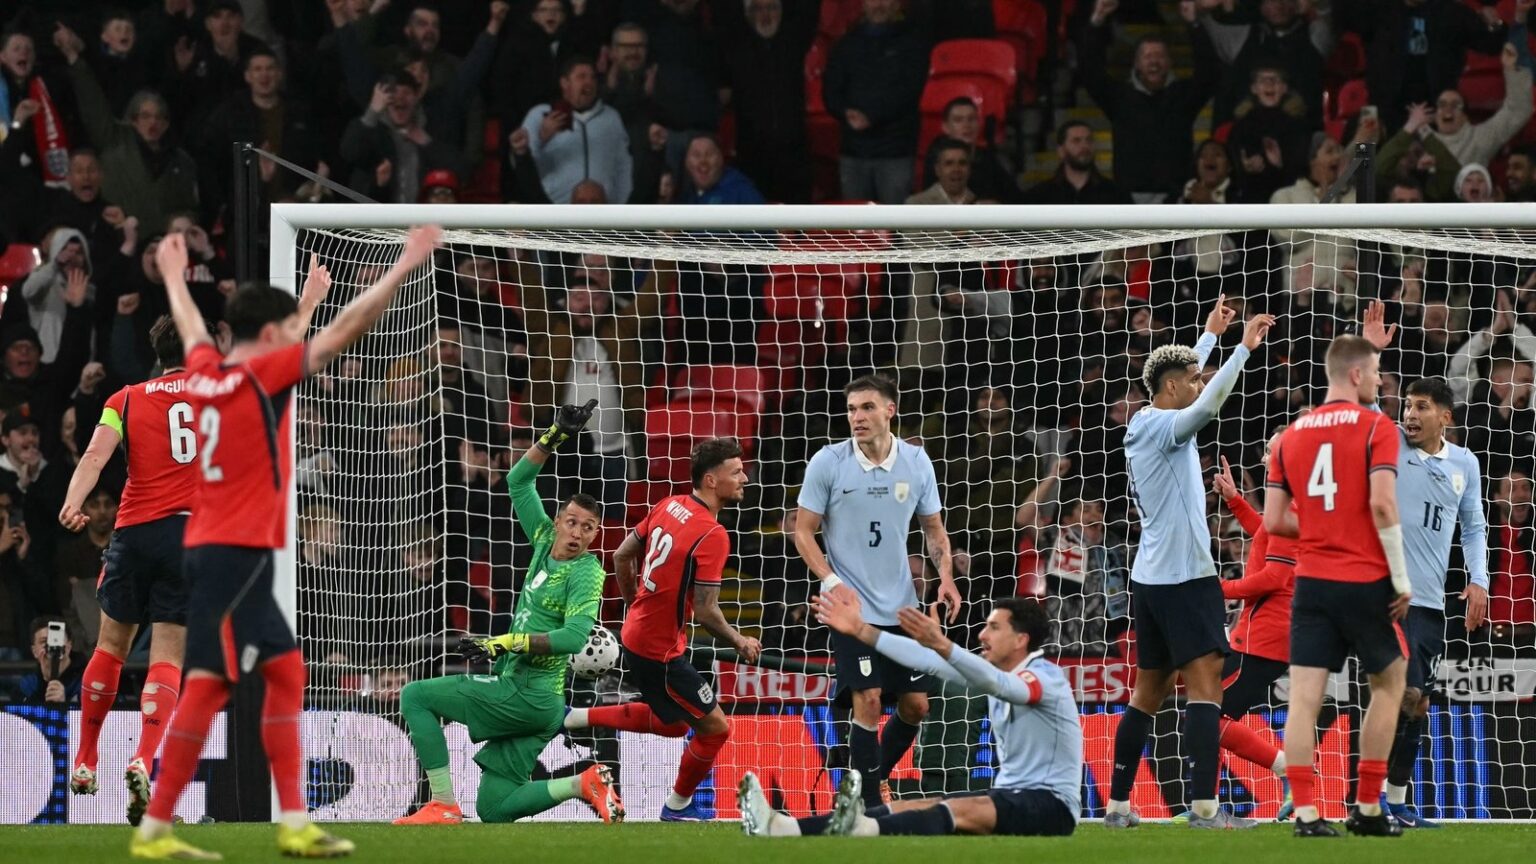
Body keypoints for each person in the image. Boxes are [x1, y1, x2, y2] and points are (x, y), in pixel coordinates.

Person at [128, 226, 440, 859]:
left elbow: (191, 328)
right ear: (269, 335)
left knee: (285, 670)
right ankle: (157, 831)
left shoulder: (207, 372)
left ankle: (293, 820)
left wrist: (171, 274)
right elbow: (344, 333)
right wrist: (405, 264)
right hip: (233, 553)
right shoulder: (256, 376)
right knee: (210, 683)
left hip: (221, 551)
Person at [393, 400, 622, 826]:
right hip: (533, 699)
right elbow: (519, 481)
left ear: (595, 535)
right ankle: (582, 783)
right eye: (571, 522)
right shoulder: (541, 539)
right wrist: (553, 436)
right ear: (558, 521)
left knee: (415, 696)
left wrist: (506, 642)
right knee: (494, 809)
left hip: (531, 695)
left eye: (587, 528)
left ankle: (442, 802)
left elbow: (574, 639)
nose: (576, 533)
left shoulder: (587, 573)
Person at [57, 316, 246, 825]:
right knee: (168, 655)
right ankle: (143, 756)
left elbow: (96, 454)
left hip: (135, 530)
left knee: (109, 646)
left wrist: (74, 502)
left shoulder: (126, 398)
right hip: (189, 537)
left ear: (158, 352)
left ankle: (85, 758)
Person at [1106, 296, 1274, 829]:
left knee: (1147, 694)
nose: (1200, 384)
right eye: (1192, 379)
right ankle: (1205, 809)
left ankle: (1116, 807)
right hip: (1185, 578)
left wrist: (1209, 335)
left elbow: (1186, 383)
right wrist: (1242, 350)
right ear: (1172, 389)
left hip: (1150, 581)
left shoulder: (1144, 423)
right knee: (1206, 689)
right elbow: (1206, 406)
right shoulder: (1164, 425)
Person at [739, 595, 1078, 838]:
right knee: (907, 807)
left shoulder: (1045, 676)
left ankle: (864, 831)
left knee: (958, 811)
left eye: (993, 628)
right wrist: (862, 631)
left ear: (1021, 639)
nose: (982, 635)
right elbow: (931, 661)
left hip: (1051, 806)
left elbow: (1009, 688)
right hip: (1011, 797)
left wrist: (943, 644)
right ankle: (785, 827)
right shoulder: (993, 673)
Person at [563, 437, 761, 820]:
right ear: (710, 479)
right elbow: (705, 610)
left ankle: (575, 717)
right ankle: (677, 807)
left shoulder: (669, 505)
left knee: (673, 725)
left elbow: (622, 555)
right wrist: (739, 641)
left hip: (636, 633)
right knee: (717, 728)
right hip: (659, 650)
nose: (744, 477)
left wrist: (633, 603)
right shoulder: (712, 534)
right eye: (735, 471)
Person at [1264, 334, 1412, 838]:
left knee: (1303, 697)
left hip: (1311, 584)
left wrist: (1324, 528)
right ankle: (1368, 807)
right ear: (1354, 375)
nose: (1378, 381)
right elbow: (1383, 506)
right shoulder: (1377, 427)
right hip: (1365, 578)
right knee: (1391, 681)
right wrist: (1401, 576)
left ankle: (1306, 814)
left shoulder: (1289, 436)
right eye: (1374, 373)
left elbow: (1274, 519)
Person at [793, 373, 960, 807]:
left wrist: (945, 576)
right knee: (867, 700)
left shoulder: (917, 461)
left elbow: (934, 530)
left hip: (903, 608)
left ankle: (867, 779)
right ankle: (867, 803)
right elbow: (803, 532)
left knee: (916, 707)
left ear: (891, 410)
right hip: (851, 612)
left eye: (867, 407)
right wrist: (832, 582)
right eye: (851, 409)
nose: (857, 417)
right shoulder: (828, 462)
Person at [1361, 304, 1490, 828]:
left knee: (1419, 703)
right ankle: (1373, 799)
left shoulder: (1465, 462)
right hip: (1388, 596)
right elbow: (1364, 406)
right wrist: (1372, 350)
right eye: (1407, 405)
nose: (1409, 414)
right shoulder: (1387, 438)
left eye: (1420, 407)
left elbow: (1475, 527)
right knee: (1401, 694)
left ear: (1445, 416)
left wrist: (1479, 580)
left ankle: (1395, 798)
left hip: (1433, 603)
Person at [1200, 446, 1297, 822]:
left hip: (1264, 637)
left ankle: (1285, 768)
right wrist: (1236, 501)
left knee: (1208, 717)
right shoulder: (1287, 509)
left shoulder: (1292, 510)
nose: (1264, 456)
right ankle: (1205, 804)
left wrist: (1219, 588)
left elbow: (1274, 578)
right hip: (1264, 634)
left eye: (1272, 450)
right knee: (1206, 715)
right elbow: (1264, 534)